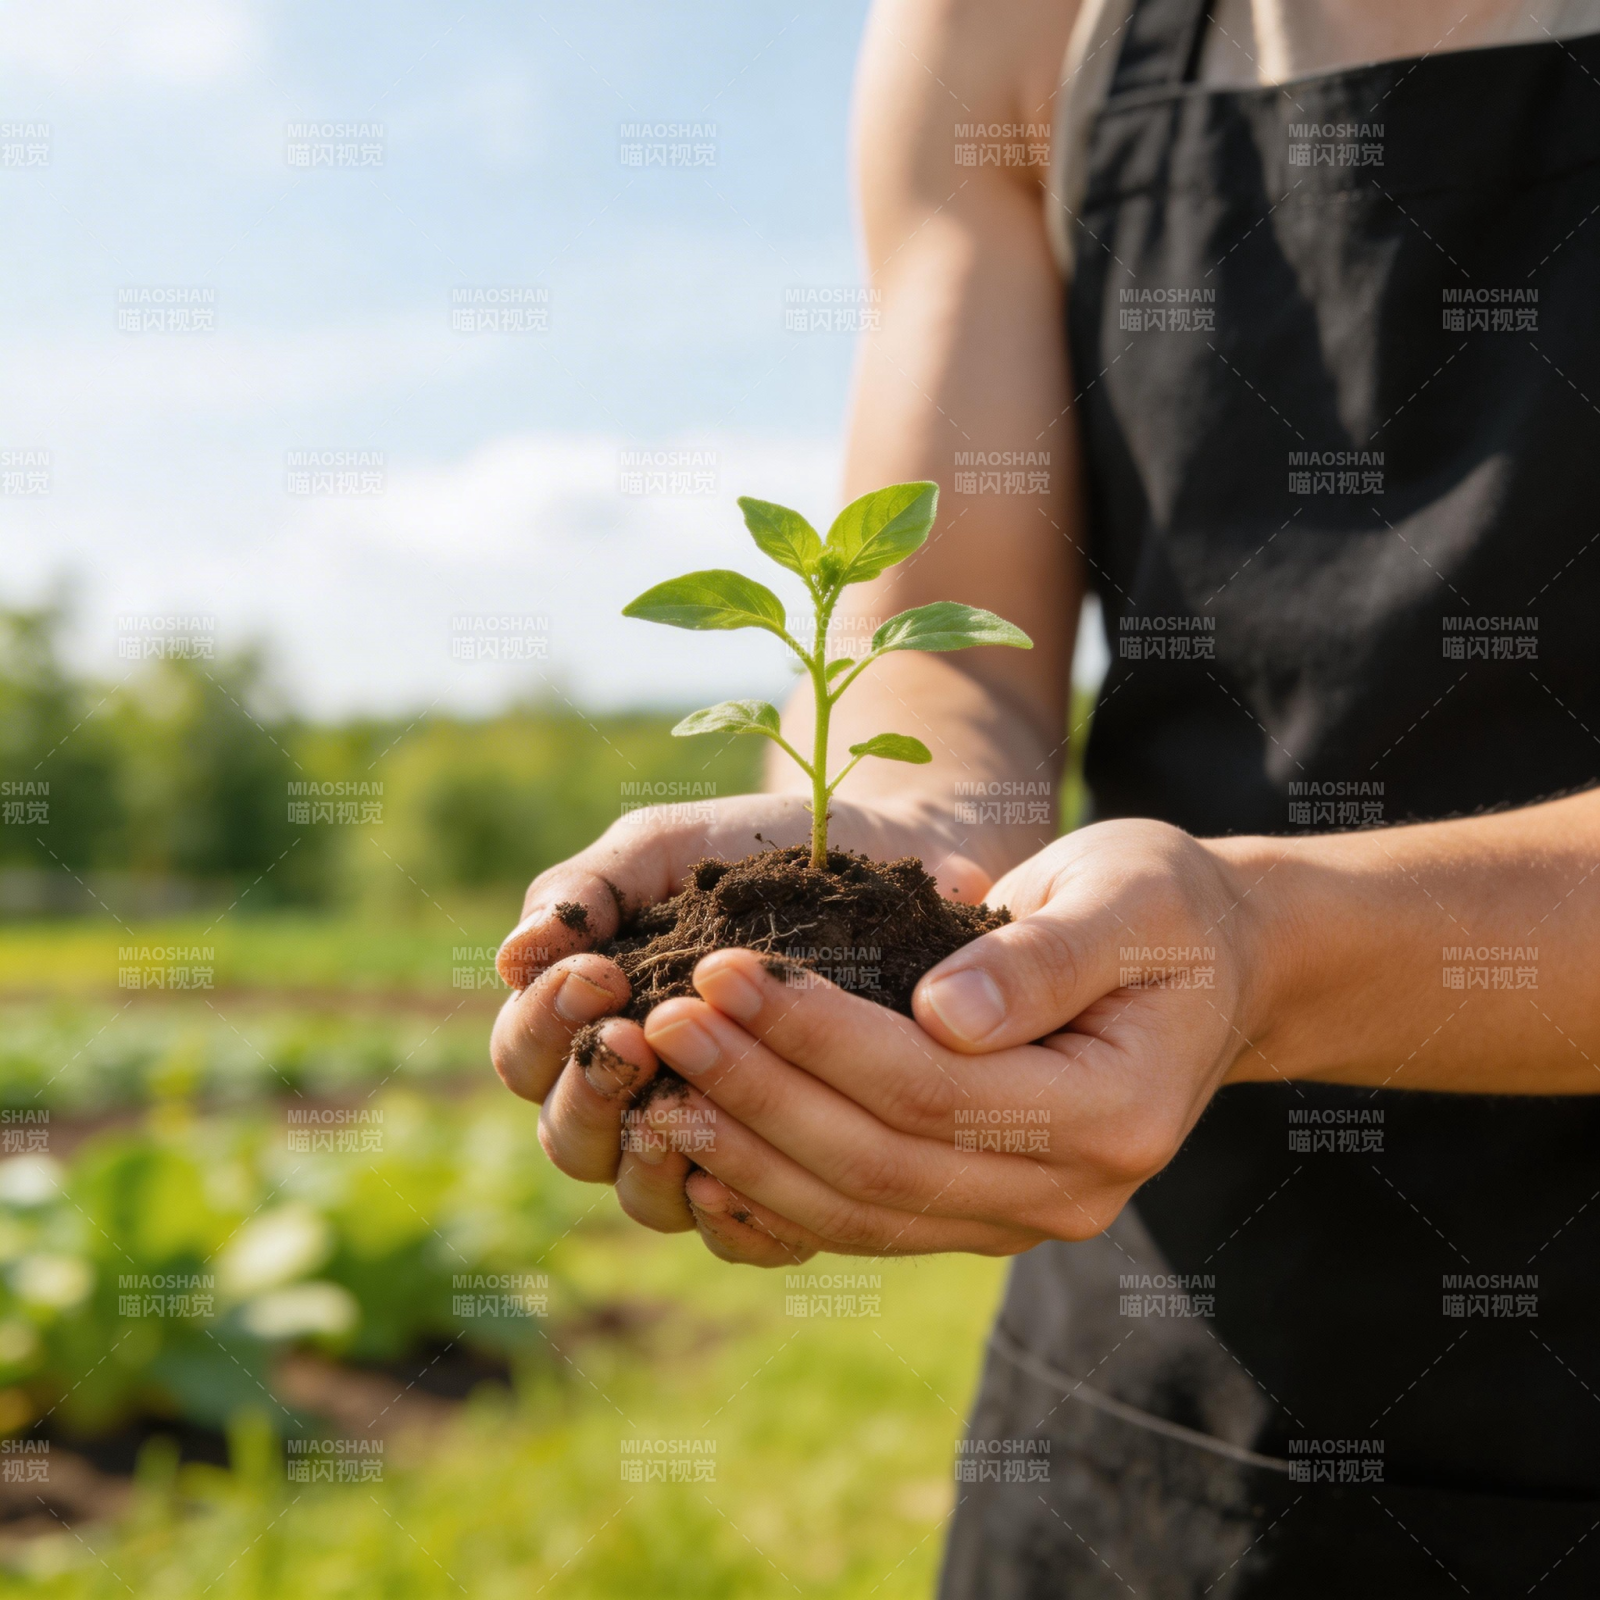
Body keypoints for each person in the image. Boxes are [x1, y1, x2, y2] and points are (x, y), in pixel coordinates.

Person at [492, 0, 1600, 1589]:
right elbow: (942, 638)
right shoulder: (1003, 25)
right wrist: (908, 841)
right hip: (1165, 1401)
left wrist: (1266, 953)